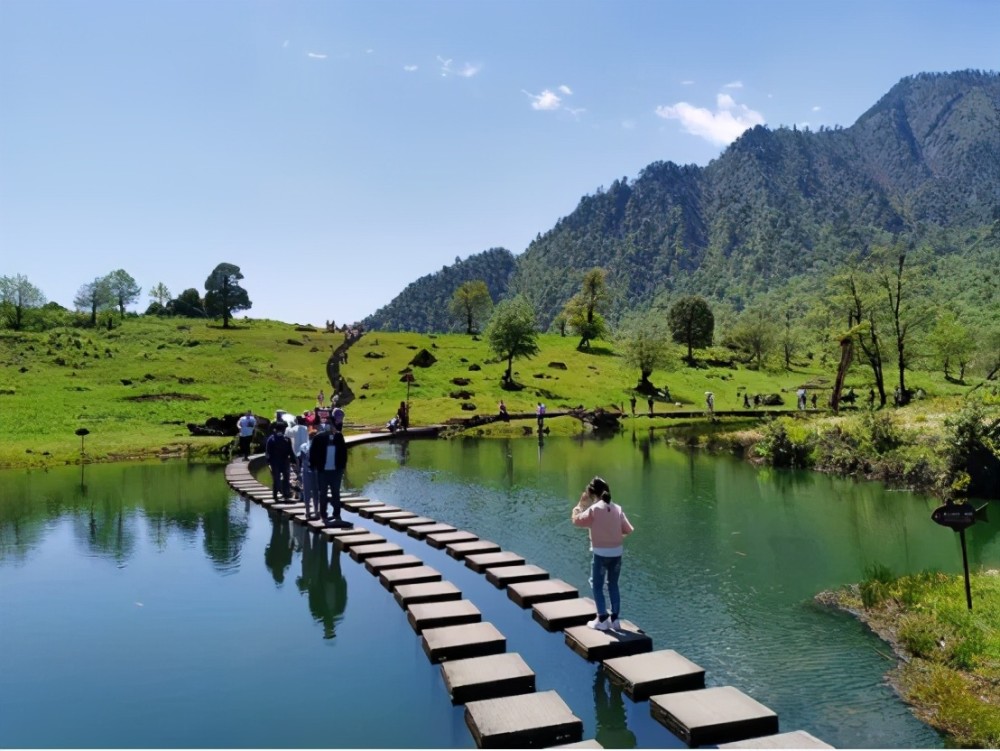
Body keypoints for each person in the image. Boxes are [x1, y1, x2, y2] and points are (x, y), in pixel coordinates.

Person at [571, 476, 634, 631]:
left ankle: (602, 619)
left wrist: (580, 505)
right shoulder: (617, 508)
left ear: (592, 494)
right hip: (617, 554)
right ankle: (615, 620)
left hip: (600, 554)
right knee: (613, 584)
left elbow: (576, 520)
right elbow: (628, 530)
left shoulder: (594, 509)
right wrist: (613, 536)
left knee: (596, 585)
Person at [310, 421, 348, 524]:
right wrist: (313, 466)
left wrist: (343, 467)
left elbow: (344, 452)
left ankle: (337, 514)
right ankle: (323, 515)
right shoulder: (318, 438)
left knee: (336, 493)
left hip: (336, 471)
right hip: (323, 471)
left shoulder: (339, 437)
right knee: (323, 494)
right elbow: (313, 453)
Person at [265, 422, 294, 502]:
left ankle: (275, 495)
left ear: (275, 429)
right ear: (283, 429)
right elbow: (290, 451)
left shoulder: (271, 438)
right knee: (286, 478)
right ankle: (286, 494)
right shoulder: (286, 439)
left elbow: (267, 451)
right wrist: (293, 460)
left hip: (274, 461)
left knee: (276, 478)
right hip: (285, 461)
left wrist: (268, 461)